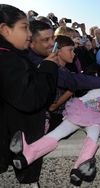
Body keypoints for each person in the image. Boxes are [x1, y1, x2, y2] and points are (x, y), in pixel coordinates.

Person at [10, 63, 100, 186]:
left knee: (63, 134)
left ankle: (28, 155)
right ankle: (80, 166)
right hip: (83, 114)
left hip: (90, 118)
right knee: (90, 137)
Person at [0, 4, 58, 187]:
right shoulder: (8, 60)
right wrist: (48, 68)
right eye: (24, 27)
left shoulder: (14, 56)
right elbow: (31, 100)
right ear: (4, 29)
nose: (28, 34)